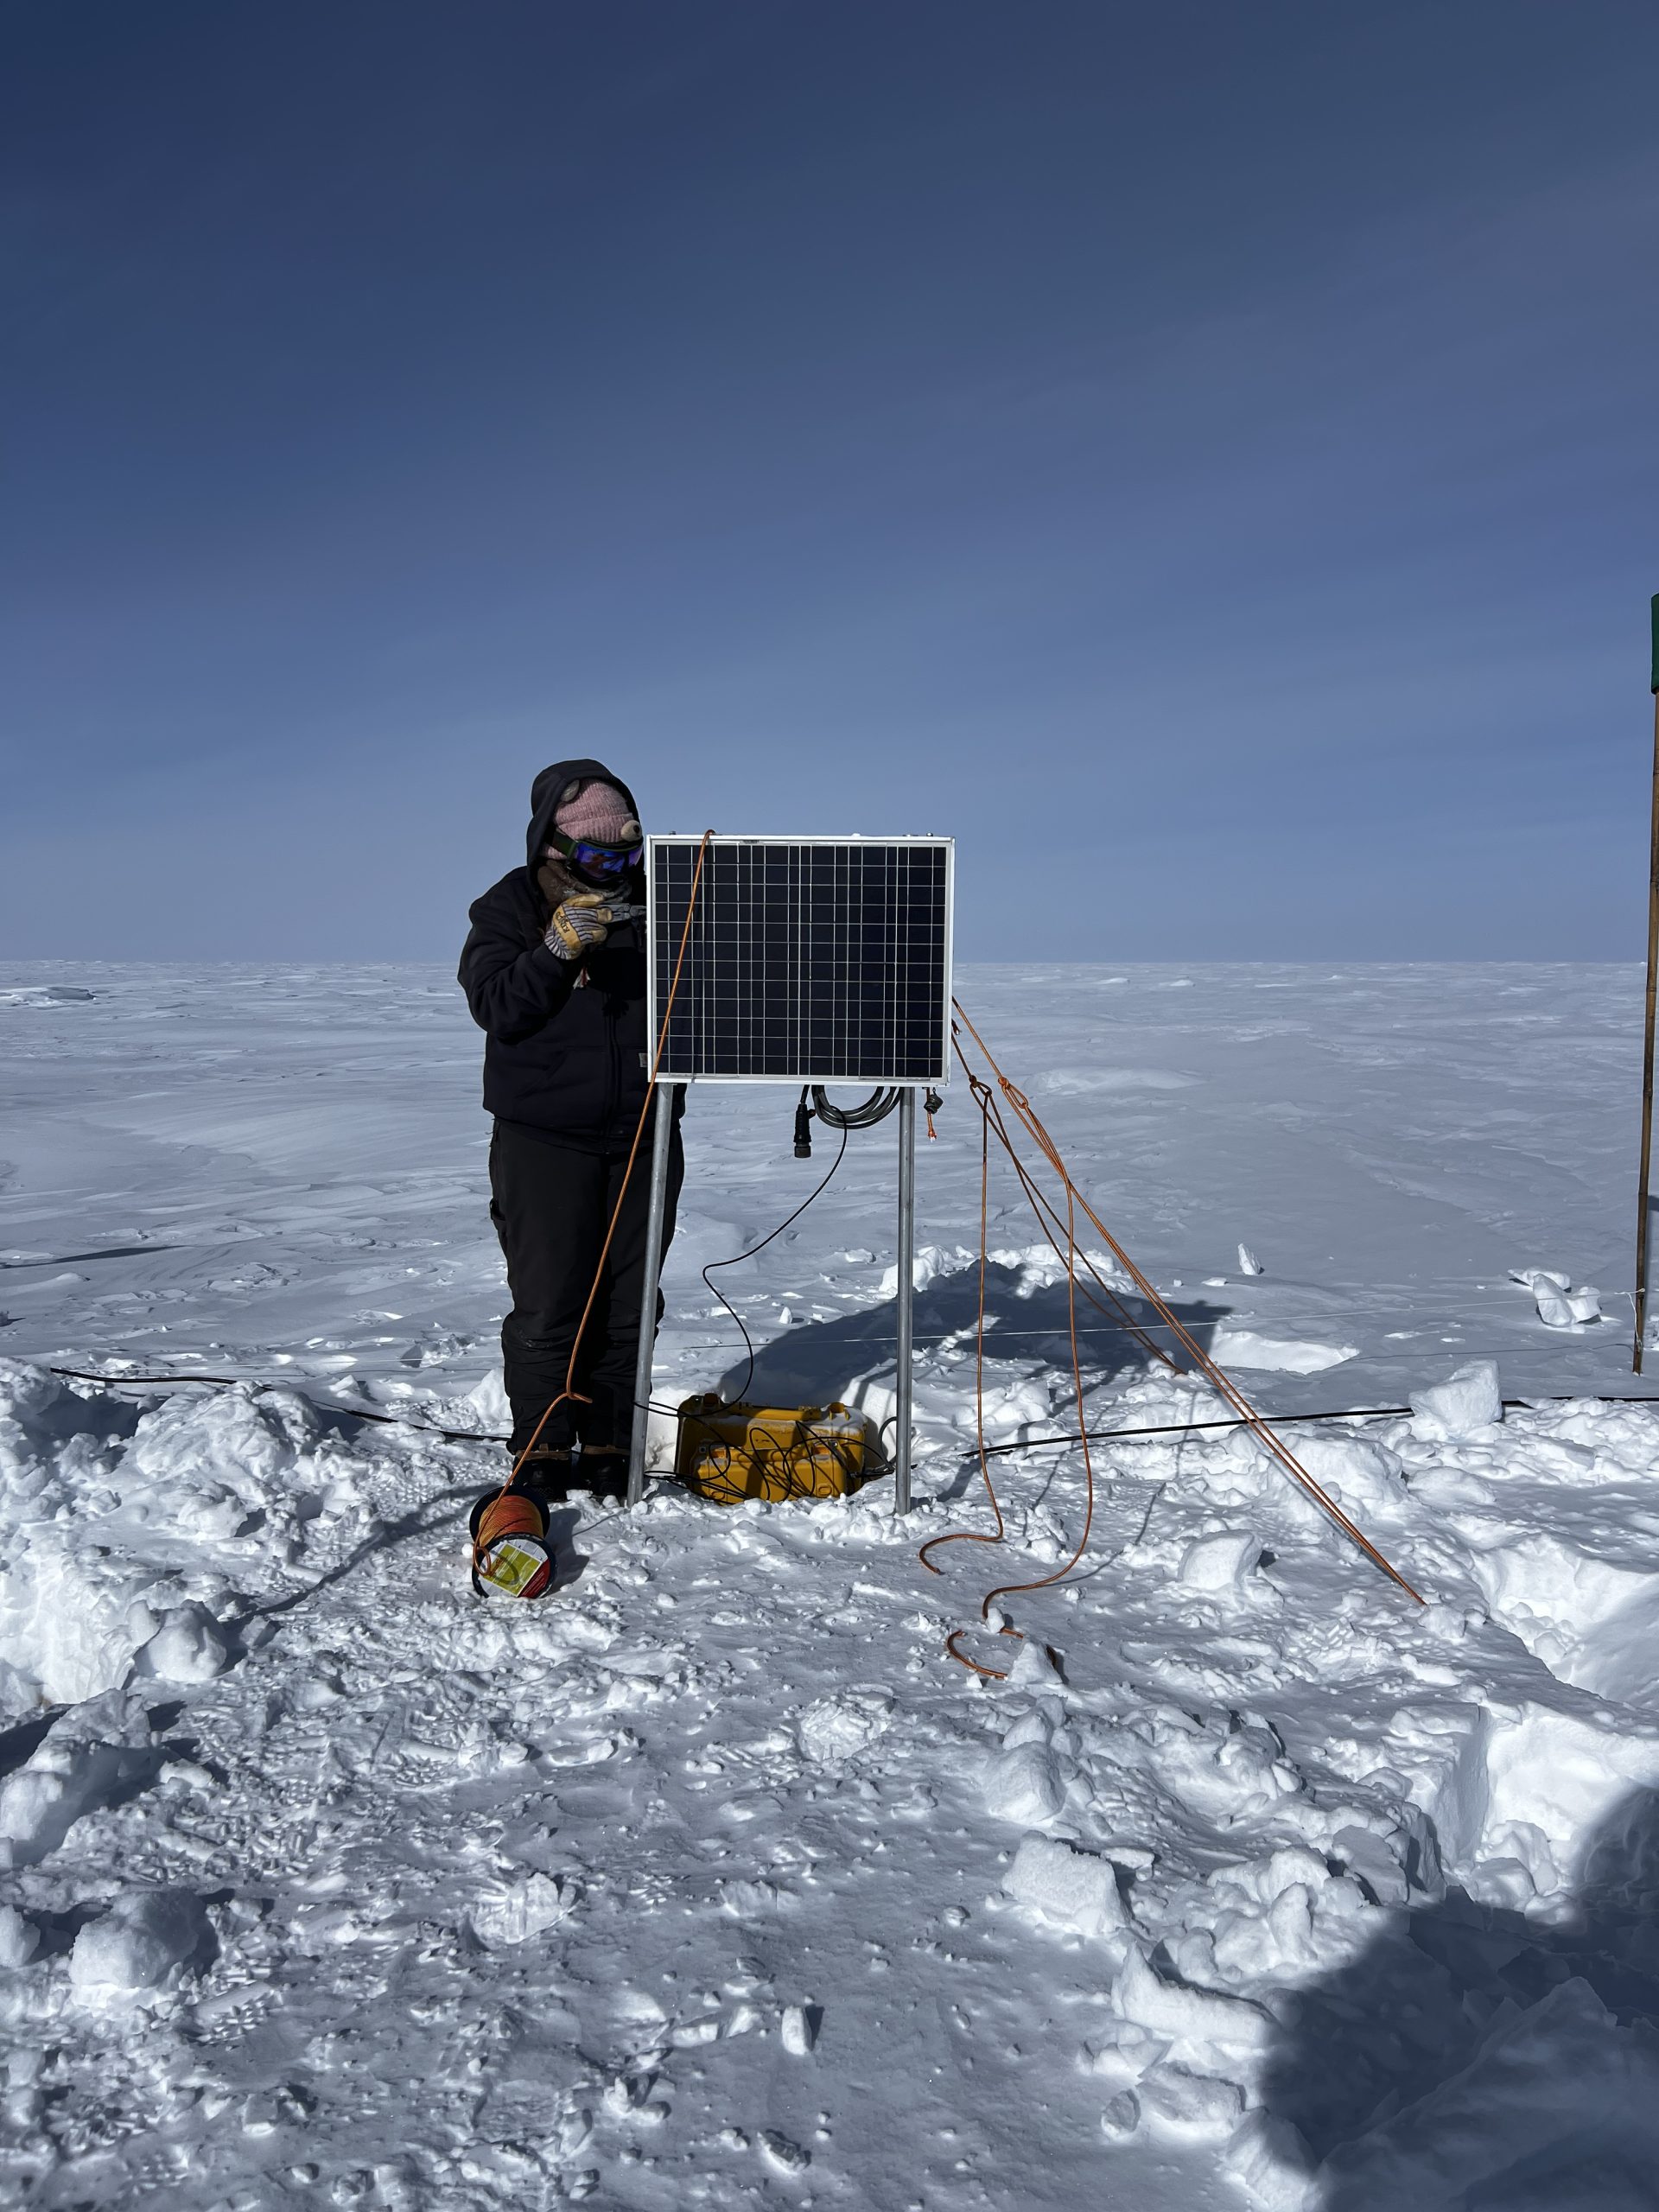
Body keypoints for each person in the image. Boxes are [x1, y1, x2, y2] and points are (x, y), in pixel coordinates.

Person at [459, 760, 683, 1503]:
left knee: (628, 1302)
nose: (617, 869)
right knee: (553, 1301)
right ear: (553, 847)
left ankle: (612, 1443)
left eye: (628, 851)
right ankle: (543, 1449)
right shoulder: (510, 907)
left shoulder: (664, 906)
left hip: (645, 1136)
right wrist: (555, 952)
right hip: (543, 1141)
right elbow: (499, 1007)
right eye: (598, 855)